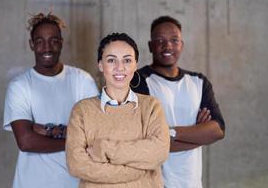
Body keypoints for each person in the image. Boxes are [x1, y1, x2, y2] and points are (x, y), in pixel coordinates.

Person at [3, 12, 99, 188]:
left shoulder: (82, 80)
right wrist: (74, 138)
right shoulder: (20, 86)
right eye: (40, 41)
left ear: (61, 43)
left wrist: (47, 130)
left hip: (77, 183)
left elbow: (95, 134)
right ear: (32, 45)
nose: (47, 48)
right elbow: (26, 141)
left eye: (53, 41)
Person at [130, 16, 225, 188]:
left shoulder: (198, 81)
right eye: (160, 40)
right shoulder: (138, 81)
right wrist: (199, 134)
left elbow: (218, 130)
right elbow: (142, 144)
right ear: (150, 46)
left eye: (174, 40)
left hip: (192, 183)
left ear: (182, 45)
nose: (168, 46)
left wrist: (171, 133)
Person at [66, 33, 170, 188]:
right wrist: (136, 169)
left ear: (135, 65)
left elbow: (159, 152)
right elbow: (77, 164)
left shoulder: (151, 107)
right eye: (111, 60)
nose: (120, 67)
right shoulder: (82, 111)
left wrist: (104, 149)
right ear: (100, 65)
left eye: (127, 60)